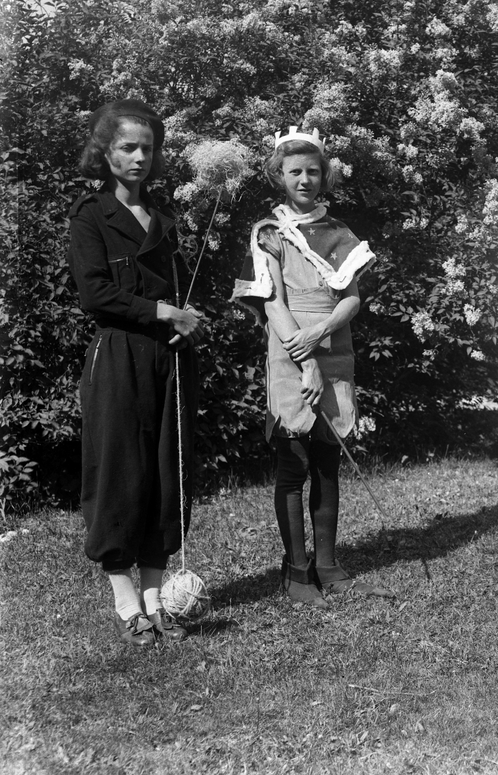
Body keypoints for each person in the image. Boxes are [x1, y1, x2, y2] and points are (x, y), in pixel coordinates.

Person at [232, 126, 392, 607]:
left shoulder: (339, 232)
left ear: (325, 176)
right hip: (289, 350)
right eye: (294, 171)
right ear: (278, 176)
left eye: (313, 171)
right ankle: (297, 571)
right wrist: (304, 357)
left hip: (333, 346)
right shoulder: (269, 233)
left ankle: (327, 564)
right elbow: (273, 302)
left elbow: (351, 300)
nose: (304, 179)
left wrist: (321, 333)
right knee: (294, 460)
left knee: (327, 458)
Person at [68, 99, 201, 646]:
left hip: (168, 358)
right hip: (119, 356)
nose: (139, 157)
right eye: (127, 147)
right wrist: (161, 312)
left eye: (147, 147)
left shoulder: (164, 218)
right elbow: (94, 293)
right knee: (120, 472)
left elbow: (183, 290)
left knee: (167, 471)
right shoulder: (90, 215)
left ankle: (155, 597)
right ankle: (127, 603)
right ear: (105, 152)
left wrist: (186, 321)